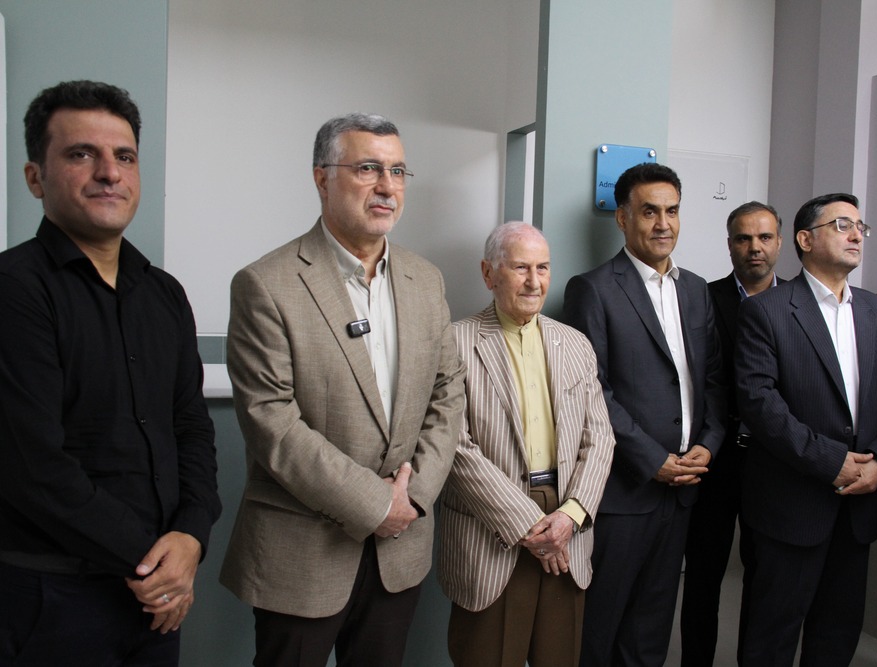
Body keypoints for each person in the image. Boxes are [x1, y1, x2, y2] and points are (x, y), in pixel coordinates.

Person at [219, 112, 465, 667]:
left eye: (398, 171)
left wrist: (413, 498)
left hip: (400, 550)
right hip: (302, 554)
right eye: (368, 169)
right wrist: (376, 504)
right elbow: (271, 421)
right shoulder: (266, 284)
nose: (387, 187)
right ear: (322, 178)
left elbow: (447, 393)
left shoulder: (425, 280)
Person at [0, 80, 220, 665]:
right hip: (53, 597)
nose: (109, 173)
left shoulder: (164, 294)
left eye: (124, 156)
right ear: (34, 178)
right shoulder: (14, 290)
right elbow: (34, 467)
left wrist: (191, 538)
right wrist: (154, 563)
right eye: (82, 154)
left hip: (157, 597)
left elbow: (191, 429)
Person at [733, 193, 877, 667]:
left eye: (860, 227)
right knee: (771, 638)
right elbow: (760, 403)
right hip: (792, 505)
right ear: (805, 239)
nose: (856, 235)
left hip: (858, 508)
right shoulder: (767, 311)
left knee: (837, 634)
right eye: (842, 225)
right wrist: (832, 462)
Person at [563, 162, 726, 667]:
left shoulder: (696, 289)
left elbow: (714, 380)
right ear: (623, 218)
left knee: (651, 632)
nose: (663, 224)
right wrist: (652, 459)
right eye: (650, 211)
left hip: (684, 489)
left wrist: (709, 444)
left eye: (672, 211)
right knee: (599, 629)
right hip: (624, 492)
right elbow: (592, 390)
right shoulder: (592, 289)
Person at [439, 221, 615, 667]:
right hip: (491, 528)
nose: (534, 282)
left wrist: (571, 516)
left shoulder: (575, 344)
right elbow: (454, 447)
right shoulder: (454, 343)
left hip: (567, 526)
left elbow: (600, 438)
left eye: (543, 268)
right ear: (488, 273)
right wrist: (529, 525)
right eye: (520, 268)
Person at [680, 201, 784, 667]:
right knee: (703, 576)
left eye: (764, 237)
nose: (754, 247)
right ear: (729, 245)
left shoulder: (799, 303)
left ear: (780, 242)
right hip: (715, 458)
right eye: (743, 238)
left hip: (775, 460)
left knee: (766, 579)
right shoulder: (703, 298)